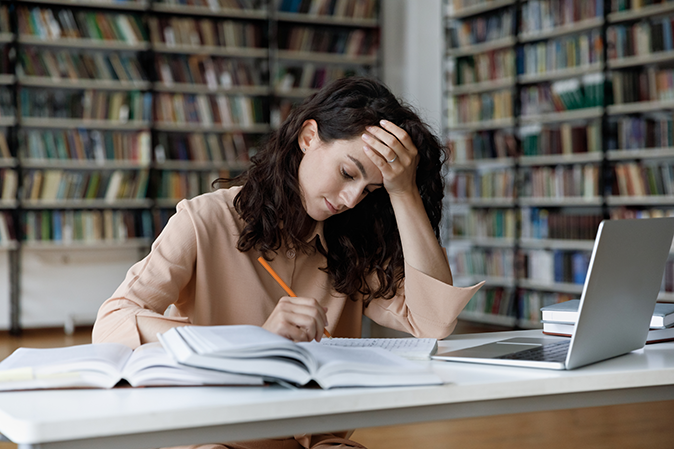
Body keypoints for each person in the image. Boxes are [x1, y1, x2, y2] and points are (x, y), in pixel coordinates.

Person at [92, 76, 483, 449]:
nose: (350, 199)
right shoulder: (205, 220)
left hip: (318, 441)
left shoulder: (354, 242)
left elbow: (434, 321)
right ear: (309, 137)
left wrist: (403, 192)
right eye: (348, 173)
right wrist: (248, 344)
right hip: (212, 435)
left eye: (370, 190)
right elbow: (112, 322)